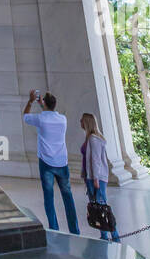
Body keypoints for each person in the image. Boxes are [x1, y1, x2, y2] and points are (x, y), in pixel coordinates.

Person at [22, 89, 80, 235]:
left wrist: (31, 101)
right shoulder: (63, 119)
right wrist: (43, 104)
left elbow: (25, 116)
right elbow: (50, 113)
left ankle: (54, 229)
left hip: (47, 163)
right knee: (68, 197)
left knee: (49, 197)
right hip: (62, 162)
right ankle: (75, 230)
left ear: (45, 104)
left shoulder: (41, 119)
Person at [80, 113, 120, 243]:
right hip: (91, 177)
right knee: (97, 208)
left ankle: (115, 236)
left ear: (87, 122)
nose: (80, 122)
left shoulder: (93, 139)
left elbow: (95, 160)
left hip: (95, 178)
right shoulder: (90, 138)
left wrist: (95, 179)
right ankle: (104, 235)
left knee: (102, 207)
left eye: (82, 120)